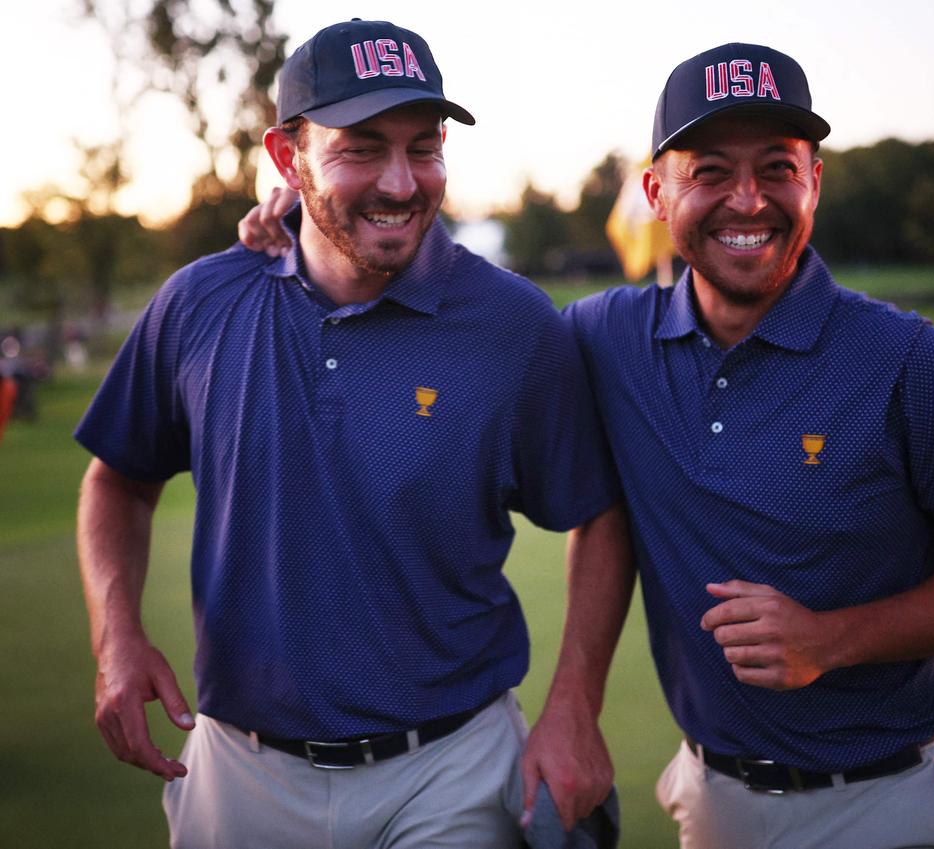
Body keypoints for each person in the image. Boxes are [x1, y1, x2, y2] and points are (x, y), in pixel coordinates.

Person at [239, 43, 934, 849]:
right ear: (657, 194)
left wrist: (834, 637)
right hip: (715, 803)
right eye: (709, 171)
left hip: (895, 799)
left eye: (777, 167)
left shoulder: (913, 364)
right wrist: (300, 216)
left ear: (816, 180)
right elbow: (459, 313)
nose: (747, 200)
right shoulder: (604, 338)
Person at [75, 19, 621, 849]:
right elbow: (118, 476)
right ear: (289, 158)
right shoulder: (198, 303)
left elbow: (599, 509)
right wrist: (116, 635)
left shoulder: (515, 325)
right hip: (239, 768)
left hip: (452, 767)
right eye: (362, 148)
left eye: (424, 145)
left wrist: (574, 703)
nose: (402, 181)